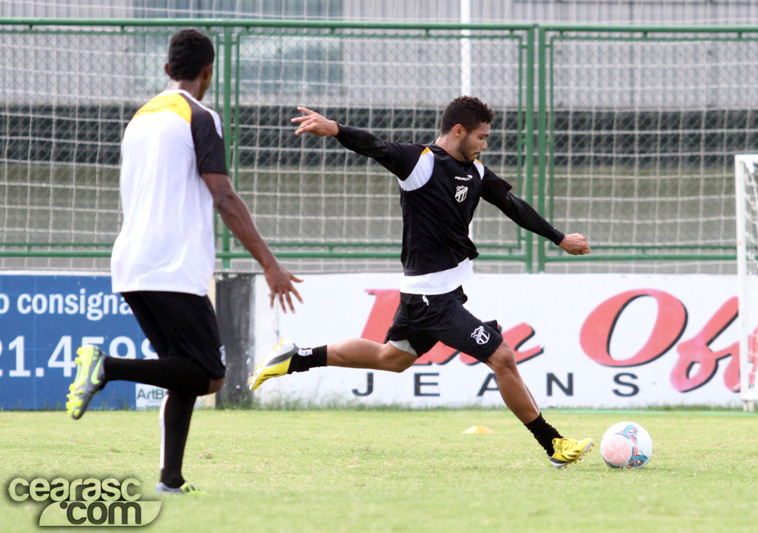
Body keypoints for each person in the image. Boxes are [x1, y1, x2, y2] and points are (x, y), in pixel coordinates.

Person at [250, 96, 593, 469]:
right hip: (433, 299)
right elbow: (375, 146)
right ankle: (553, 444)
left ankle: (295, 358)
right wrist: (335, 129)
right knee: (503, 358)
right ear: (458, 130)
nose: (485, 144)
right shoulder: (421, 162)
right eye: (482, 136)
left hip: (432, 296)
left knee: (392, 358)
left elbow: (512, 205)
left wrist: (558, 237)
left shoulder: (475, 171)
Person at [65, 29, 302, 495]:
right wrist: (270, 263)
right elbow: (224, 196)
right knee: (209, 375)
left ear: (168, 69)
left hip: (132, 263)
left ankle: (170, 480)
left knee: (181, 368)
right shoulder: (200, 115)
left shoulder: (140, 118)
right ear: (208, 72)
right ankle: (105, 367)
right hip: (172, 265)